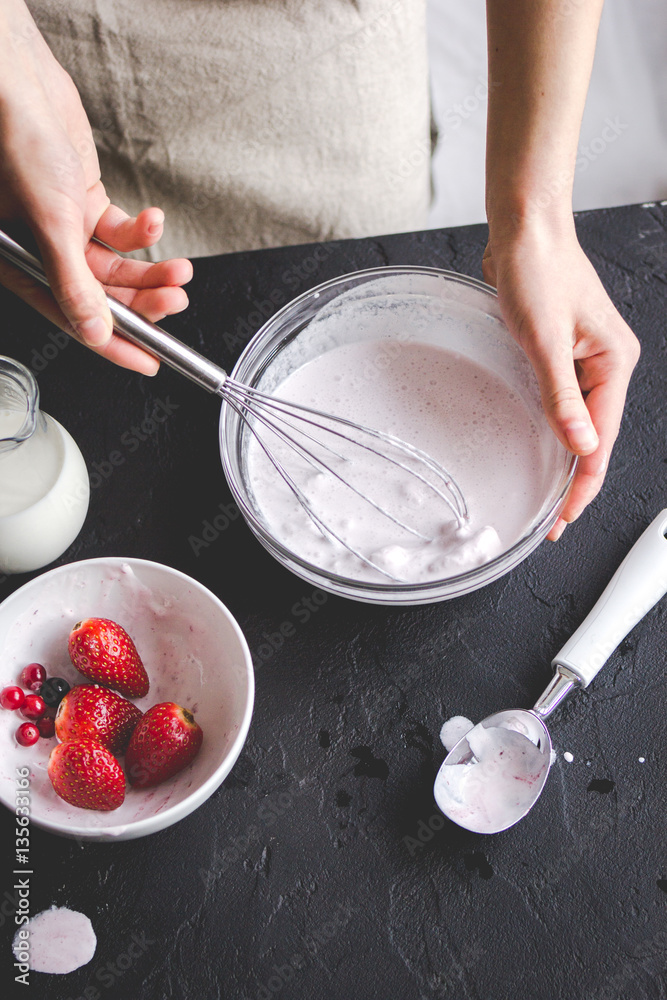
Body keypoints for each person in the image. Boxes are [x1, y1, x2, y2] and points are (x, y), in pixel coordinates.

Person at [0, 0, 640, 541]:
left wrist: (537, 219)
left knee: (362, 258)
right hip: (60, 51)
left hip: (323, 47)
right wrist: (13, 72)